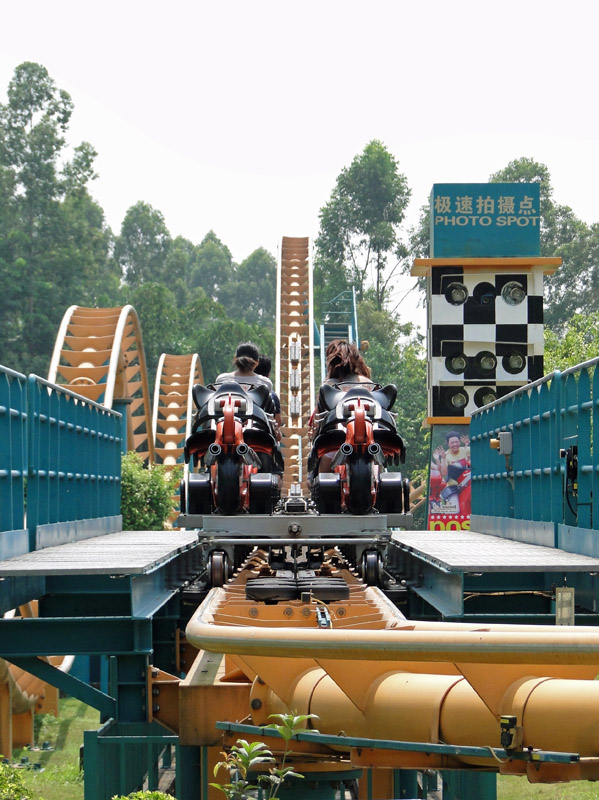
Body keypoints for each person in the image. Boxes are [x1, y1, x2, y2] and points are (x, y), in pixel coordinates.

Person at [254, 355, 283, 438]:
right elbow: (278, 421)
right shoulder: (272, 395)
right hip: (264, 434)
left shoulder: (245, 390)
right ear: (268, 374)